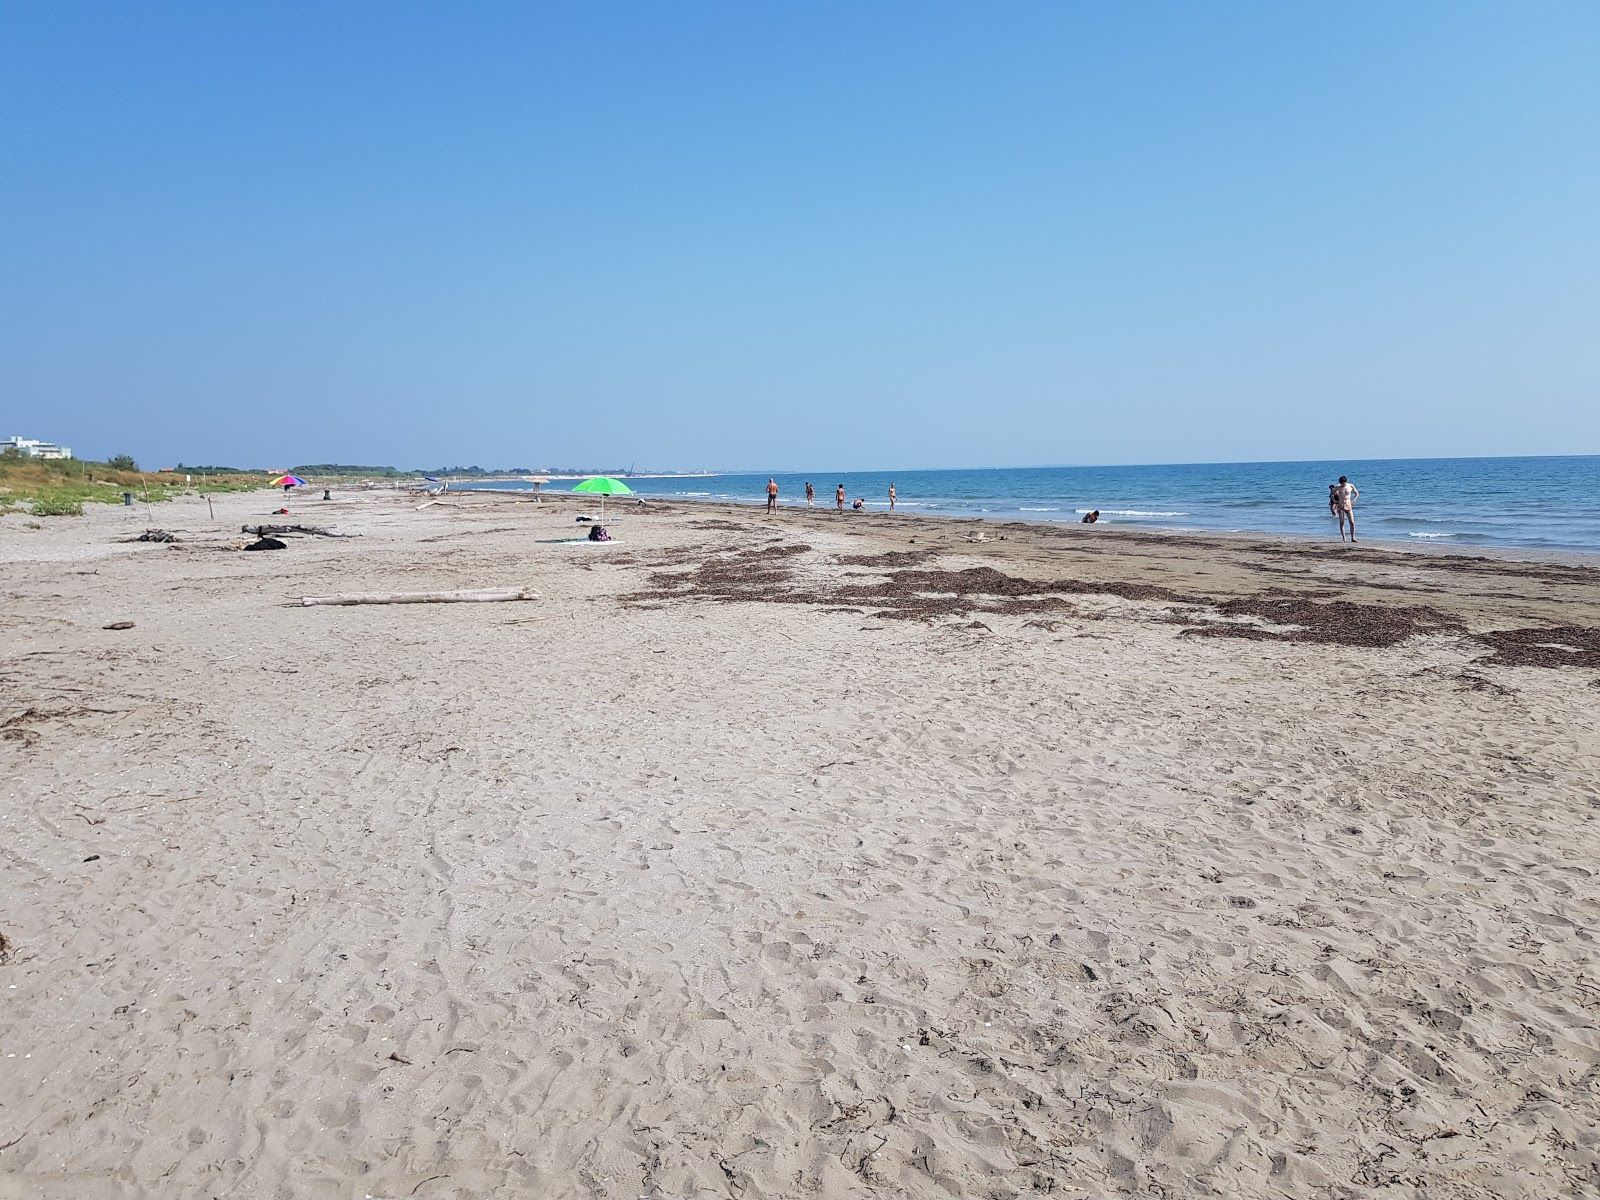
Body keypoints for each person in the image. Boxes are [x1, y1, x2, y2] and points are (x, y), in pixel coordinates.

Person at [1332, 475, 1359, 541]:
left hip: (1348, 505)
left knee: (1352, 522)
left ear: (1346, 482)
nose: (1342, 484)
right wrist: (1335, 500)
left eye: (1343, 483)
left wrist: (1354, 500)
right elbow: (1332, 494)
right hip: (1341, 506)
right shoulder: (1337, 487)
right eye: (1341, 483)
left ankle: (1353, 538)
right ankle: (1344, 538)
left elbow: (1357, 493)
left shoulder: (1350, 486)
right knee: (1342, 522)